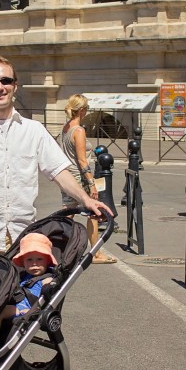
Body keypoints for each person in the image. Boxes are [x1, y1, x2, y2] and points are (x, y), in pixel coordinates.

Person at [0, 56, 107, 262]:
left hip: (22, 239)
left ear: (15, 86)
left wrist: (86, 200)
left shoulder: (34, 130)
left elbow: (59, 171)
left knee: (23, 294)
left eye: (6, 81)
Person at [60, 94, 117, 264]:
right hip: (79, 177)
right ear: (83, 110)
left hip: (67, 175)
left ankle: (60, 249)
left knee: (68, 214)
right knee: (93, 213)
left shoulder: (66, 128)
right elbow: (82, 160)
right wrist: (91, 182)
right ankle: (96, 253)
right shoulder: (79, 130)